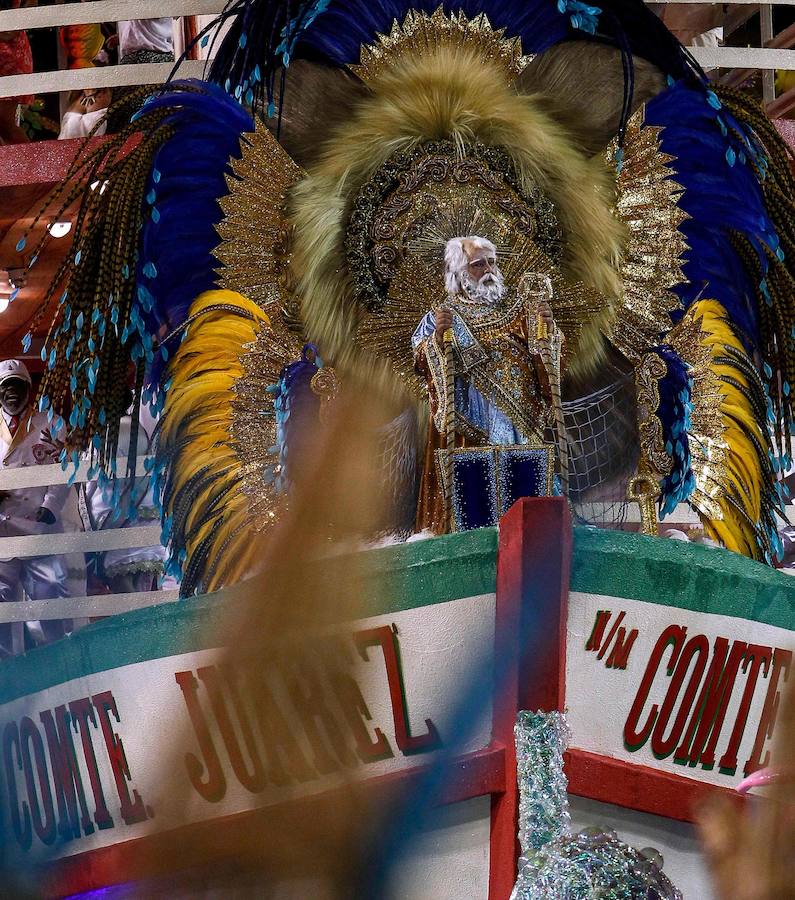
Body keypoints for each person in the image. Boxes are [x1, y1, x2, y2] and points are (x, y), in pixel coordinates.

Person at [411, 236, 562, 532]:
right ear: (458, 272)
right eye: (478, 264)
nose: (488, 269)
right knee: (474, 505)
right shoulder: (441, 316)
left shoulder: (520, 312)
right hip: (470, 426)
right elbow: (422, 359)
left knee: (525, 503)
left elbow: (548, 358)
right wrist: (439, 341)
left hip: (521, 422)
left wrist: (549, 331)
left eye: (492, 262)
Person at [0, 359, 70, 655]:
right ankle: (8, 680)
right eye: (5, 388)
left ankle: (58, 669)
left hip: (38, 527)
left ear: (29, 389)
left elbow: (63, 471)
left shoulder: (51, 424)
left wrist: (50, 506)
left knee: (50, 595)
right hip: (2, 532)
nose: (11, 393)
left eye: (17, 386)